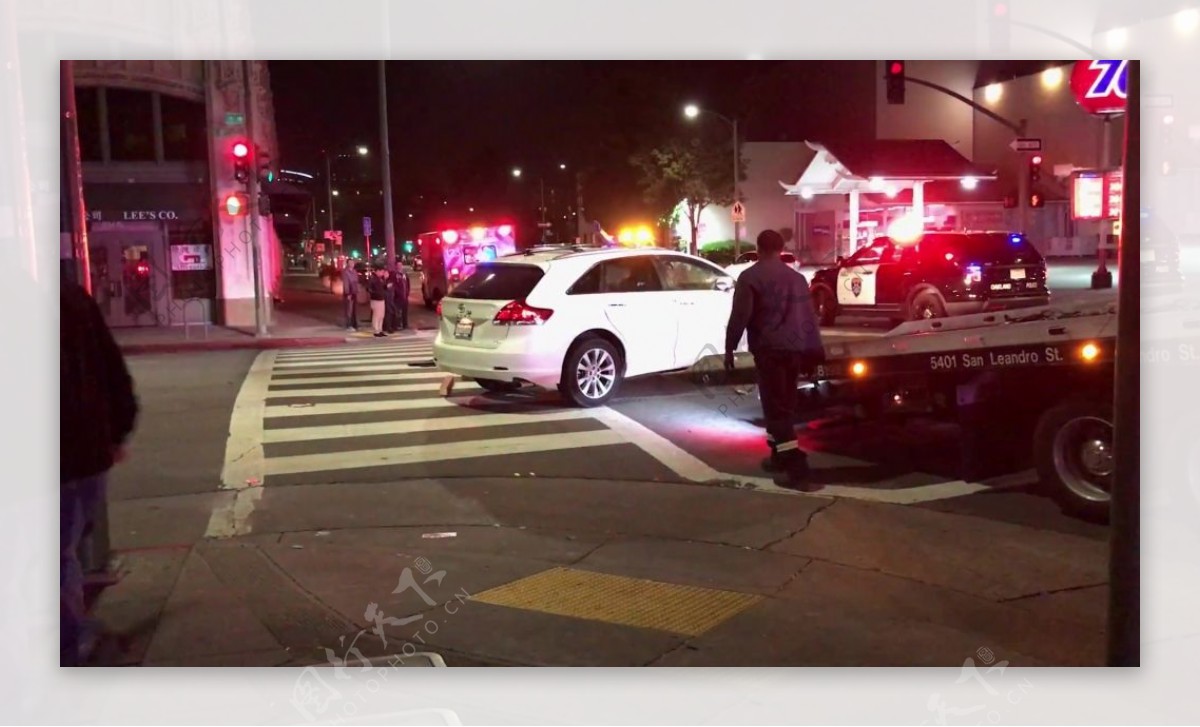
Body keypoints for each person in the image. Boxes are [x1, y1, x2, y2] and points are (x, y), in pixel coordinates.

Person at [61, 278, 138, 665]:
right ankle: (67, 644)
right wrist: (118, 431)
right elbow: (112, 370)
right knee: (61, 553)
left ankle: (66, 644)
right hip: (83, 453)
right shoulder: (71, 299)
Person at [724, 229, 825, 489]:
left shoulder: (750, 277)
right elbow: (808, 318)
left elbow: (740, 317)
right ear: (781, 250)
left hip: (769, 350)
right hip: (794, 351)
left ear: (758, 249)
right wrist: (816, 353)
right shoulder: (797, 279)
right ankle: (779, 456)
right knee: (786, 405)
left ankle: (796, 466)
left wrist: (729, 350)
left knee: (775, 408)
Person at [367, 267, 389, 338]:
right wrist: (375, 293)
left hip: (381, 299)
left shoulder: (380, 279)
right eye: (382, 272)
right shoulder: (373, 278)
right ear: (377, 271)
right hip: (376, 299)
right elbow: (368, 288)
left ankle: (380, 329)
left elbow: (384, 287)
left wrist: (385, 280)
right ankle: (376, 330)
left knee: (381, 315)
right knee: (376, 315)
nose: (382, 273)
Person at [340, 263, 359, 332]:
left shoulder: (354, 271)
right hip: (349, 292)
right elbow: (346, 283)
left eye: (353, 263)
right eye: (350, 263)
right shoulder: (345, 272)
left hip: (354, 292)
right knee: (349, 310)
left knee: (354, 309)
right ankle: (349, 325)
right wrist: (348, 293)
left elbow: (356, 281)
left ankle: (354, 324)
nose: (352, 264)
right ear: (348, 264)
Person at [382, 267, 397, 334]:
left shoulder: (390, 280)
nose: (385, 274)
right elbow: (384, 288)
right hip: (385, 299)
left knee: (391, 312)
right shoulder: (382, 280)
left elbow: (390, 288)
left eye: (386, 273)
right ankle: (387, 327)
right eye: (384, 273)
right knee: (387, 314)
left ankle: (392, 326)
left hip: (390, 299)